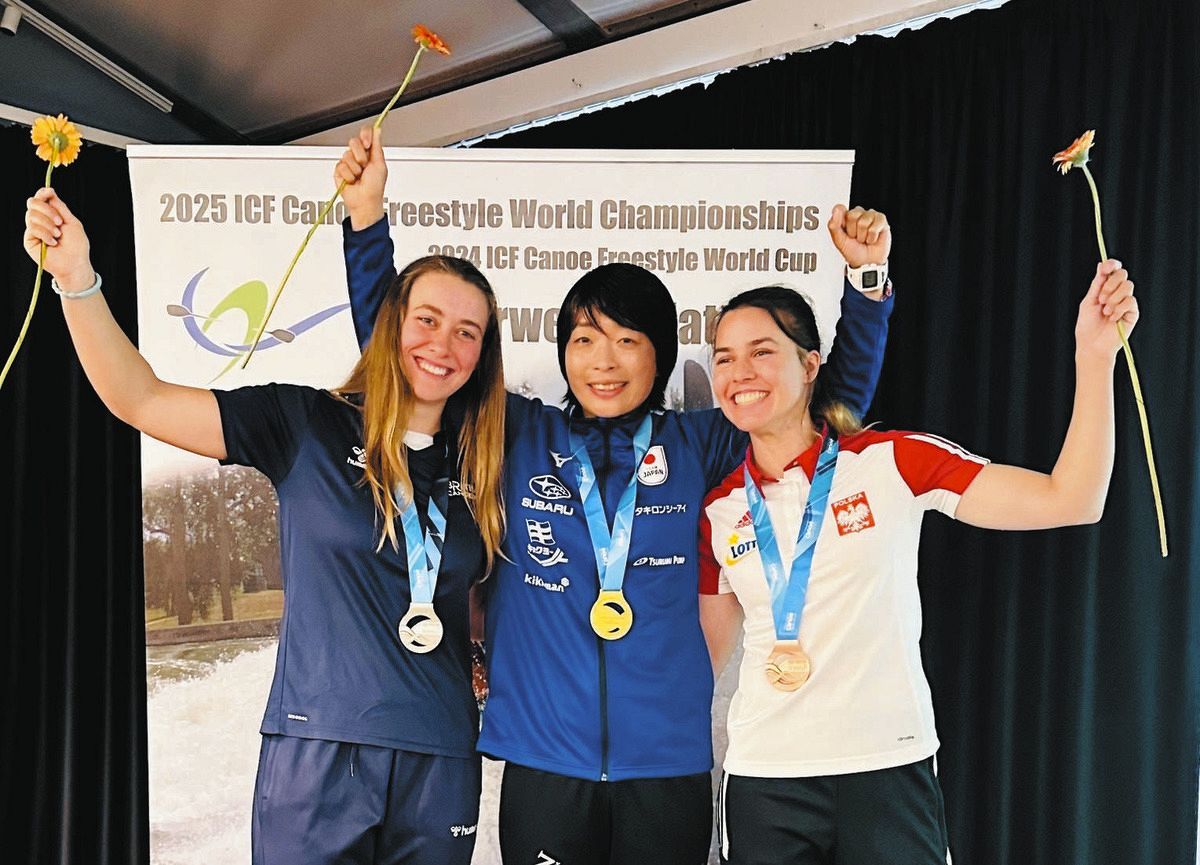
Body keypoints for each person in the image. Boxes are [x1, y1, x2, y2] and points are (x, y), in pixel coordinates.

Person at [336, 126, 893, 863]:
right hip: (543, 763)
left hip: (667, 766)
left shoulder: (702, 443)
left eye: (627, 340)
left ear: (659, 354)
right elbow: (408, 364)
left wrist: (867, 286)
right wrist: (366, 221)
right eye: (584, 339)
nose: (603, 362)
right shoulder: (515, 432)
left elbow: (821, 412)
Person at [22, 187, 508, 865]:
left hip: (439, 755)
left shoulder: (486, 460)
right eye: (426, 319)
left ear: (483, 354)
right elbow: (140, 397)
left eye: (467, 332)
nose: (442, 344)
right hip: (318, 748)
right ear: (392, 324)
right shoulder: (305, 423)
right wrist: (77, 279)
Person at [698, 260, 1137, 864]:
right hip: (766, 776)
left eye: (761, 352)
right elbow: (701, 661)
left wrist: (1095, 356)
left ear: (810, 364)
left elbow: (1073, 499)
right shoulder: (719, 511)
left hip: (888, 765)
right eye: (723, 358)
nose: (739, 373)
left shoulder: (892, 462)